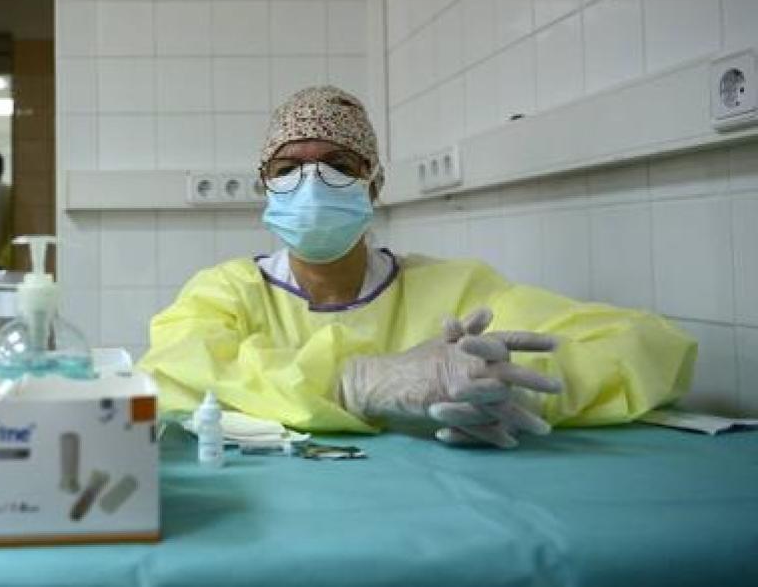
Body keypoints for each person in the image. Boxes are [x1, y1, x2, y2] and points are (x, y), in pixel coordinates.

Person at [139, 86, 696, 449]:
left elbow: (650, 347)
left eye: (337, 164)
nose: (310, 183)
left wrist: (510, 389)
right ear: (265, 185)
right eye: (287, 168)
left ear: (373, 183)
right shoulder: (228, 291)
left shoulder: (455, 290)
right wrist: (356, 381)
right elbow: (172, 374)